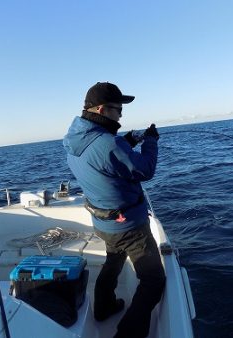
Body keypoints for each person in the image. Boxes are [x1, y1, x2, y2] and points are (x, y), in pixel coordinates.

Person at [63, 82, 166, 338]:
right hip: (129, 226)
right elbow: (145, 170)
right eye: (118, 110)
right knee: (153, 280)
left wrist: (130, 139)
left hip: (104, 224)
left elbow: (104, 156)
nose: (121, 114)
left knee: (113, 261)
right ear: (101, 109)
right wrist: (150, 142)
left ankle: (104, 307)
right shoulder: (108, 144)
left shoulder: (75, 139)